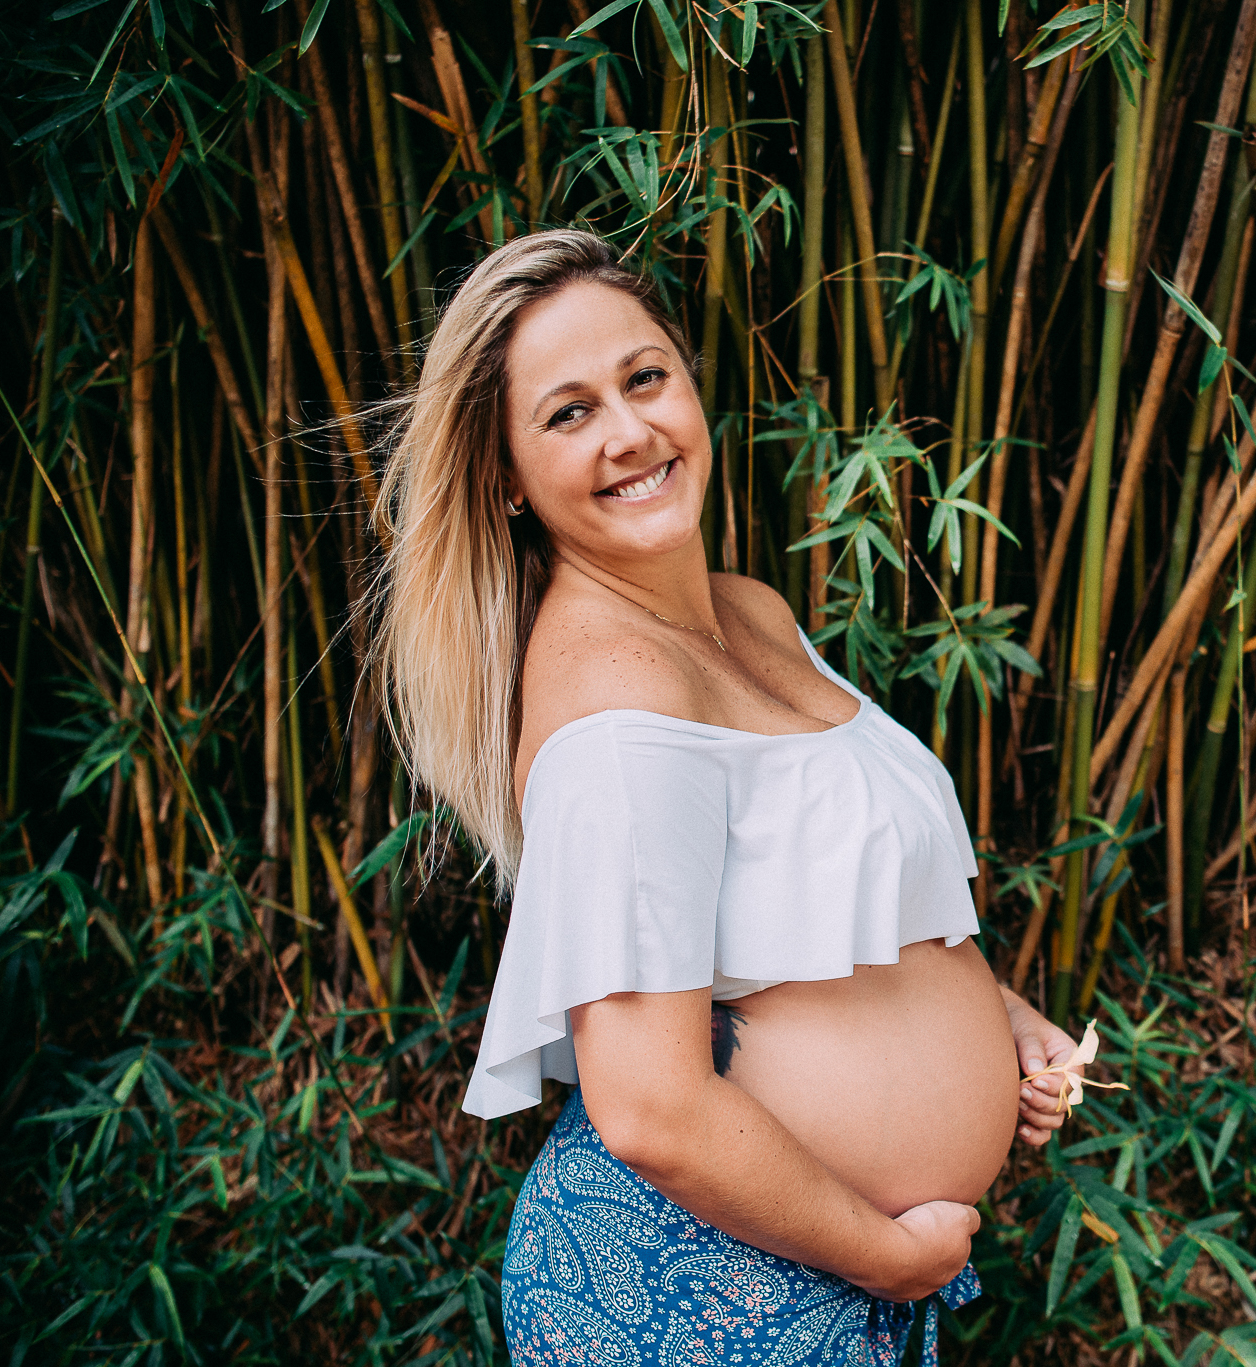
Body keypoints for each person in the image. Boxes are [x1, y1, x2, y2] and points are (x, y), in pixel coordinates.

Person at [368, 230, 1082, 1366]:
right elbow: (650, 1106)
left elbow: (813, 898)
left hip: (801, 1277)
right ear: (504, 476)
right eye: (569, 412)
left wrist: (990, 1015)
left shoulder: (751, 612)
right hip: (696, 1293)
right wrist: (890, 1257)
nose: (628, 431)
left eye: (645, 377)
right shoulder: (614, 693)